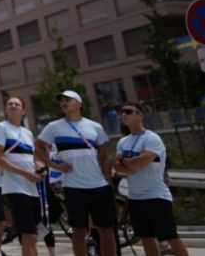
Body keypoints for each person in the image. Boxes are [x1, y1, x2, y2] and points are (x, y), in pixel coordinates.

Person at [36, 90, 117, 256]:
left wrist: (108, 181)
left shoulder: (95, 127)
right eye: (62, 101)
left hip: (100, 186)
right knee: (79, 231)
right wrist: (54, 165)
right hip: (73, 187)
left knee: (106, 229)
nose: (64, 103)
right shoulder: (53, 127)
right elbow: (37, 147)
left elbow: (103, 154)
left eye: (68, 99)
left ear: (79, 104)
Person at [114, 102, 188, 256]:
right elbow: (118, 167)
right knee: (146, 238)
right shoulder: (122, 142)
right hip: (135, 197)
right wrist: (131, 162)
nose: (124, 114)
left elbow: (137, 166)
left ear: (139, 115)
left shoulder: (152, 138)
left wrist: (128, 162)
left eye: (128, 111)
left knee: (170, 237)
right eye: (122, 112)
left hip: (156, 196)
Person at [0, 97, 41, 256]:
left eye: (17, 104)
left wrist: (39, 167)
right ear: (6, 110)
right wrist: (25, 173)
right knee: (29, 233)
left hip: (32, 188)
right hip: (14, 187)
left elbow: (31, 158)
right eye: (9, 104)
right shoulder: (1, 128)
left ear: (24, 111)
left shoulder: (27, 133)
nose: (13, 105)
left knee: (33, 235)